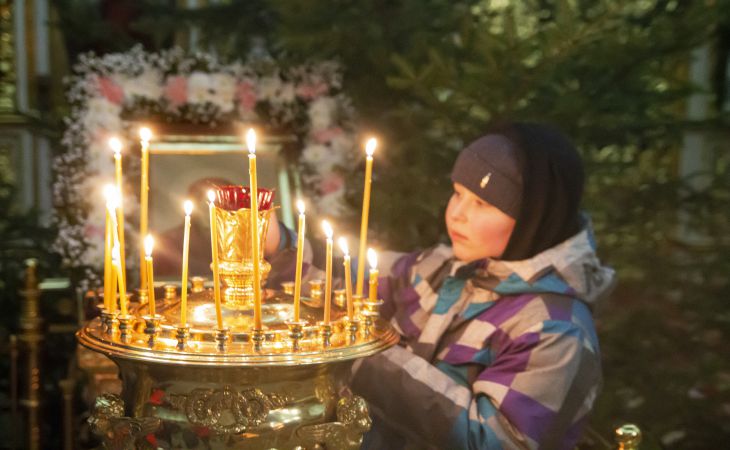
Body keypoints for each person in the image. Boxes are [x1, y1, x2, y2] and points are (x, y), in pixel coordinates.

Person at [267, 122, 615, 449]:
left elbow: (492, 441)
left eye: (481, 203)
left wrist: (363, 352)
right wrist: (279, 246)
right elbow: (351, 278)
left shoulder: (556, 329)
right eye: (457, 193)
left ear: (531, 220)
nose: (457, 213)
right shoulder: (442, 269)